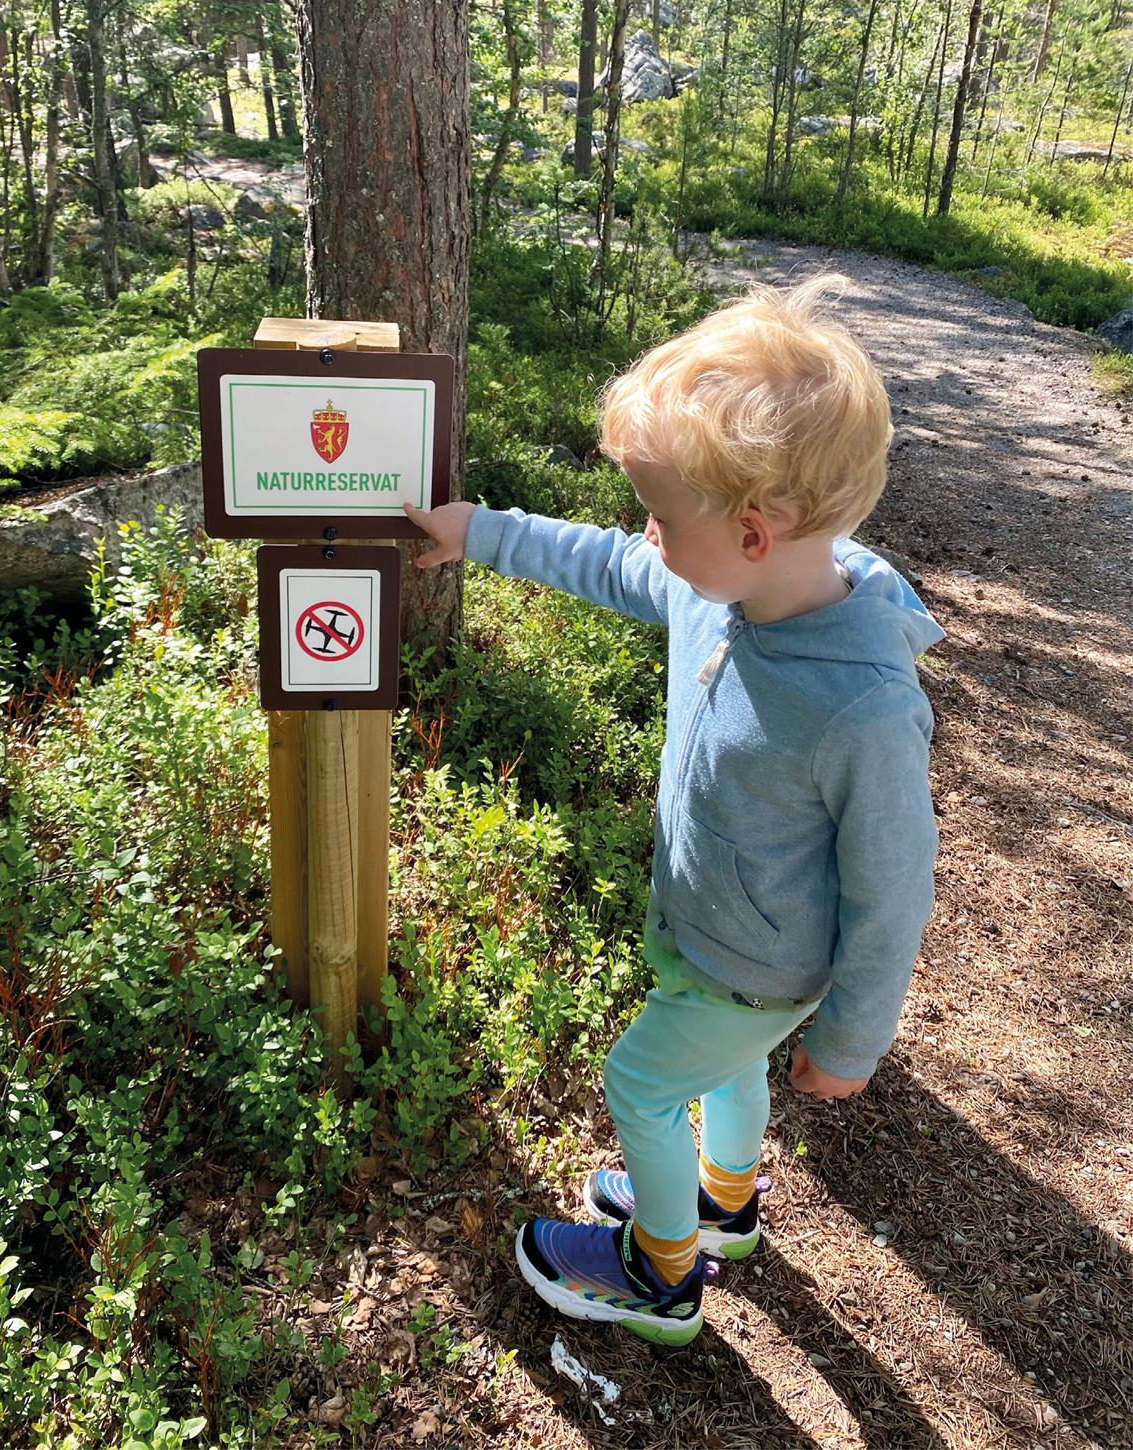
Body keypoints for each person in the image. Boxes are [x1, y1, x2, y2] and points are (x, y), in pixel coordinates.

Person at [403, 276, 942, 1349]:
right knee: (729, 1070)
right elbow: (609, 562)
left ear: (752, 530)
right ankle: (725, 1202)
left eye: (660, 510)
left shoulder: (865, 706)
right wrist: (482, 530)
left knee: (639, 1081)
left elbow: (895, 889)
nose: (644, 532)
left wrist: (853, 1041)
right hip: (714, 937)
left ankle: (660, 1272)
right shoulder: (717, 584)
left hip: (766, 966)